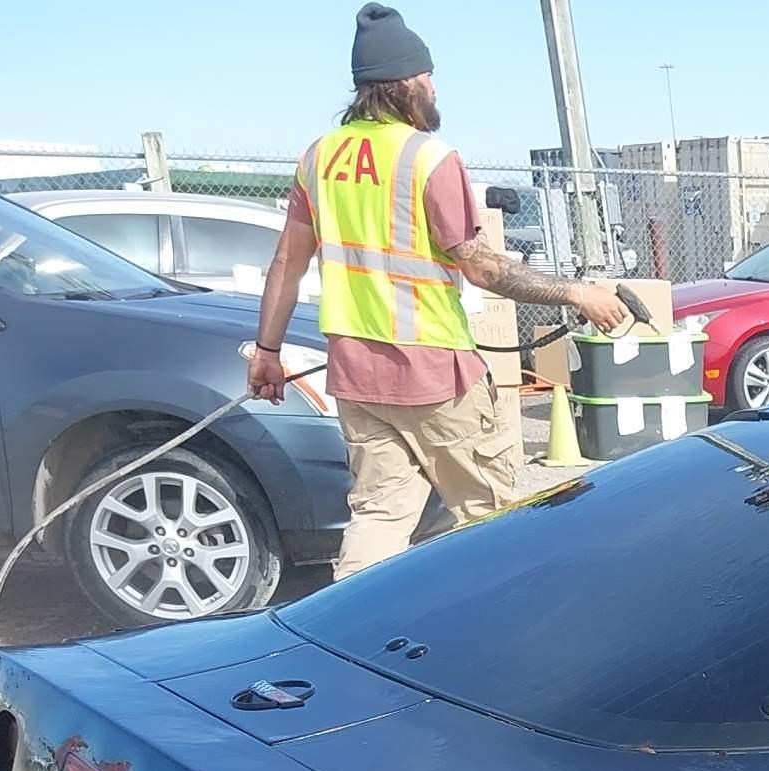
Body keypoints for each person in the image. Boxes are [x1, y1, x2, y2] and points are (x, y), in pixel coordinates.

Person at [247, 4, 630, 577]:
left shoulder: (317, 158)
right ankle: (510, 631)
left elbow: (286, 261)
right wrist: (578, 293)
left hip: (357, 373)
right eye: (428, 78)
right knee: (493, 514)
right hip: (434, 372)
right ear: (404, 84)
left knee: (379, 516)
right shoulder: (429, 157)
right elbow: (480, 266)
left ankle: (355, 633)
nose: (433, 89)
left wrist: (268, 353)